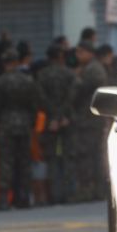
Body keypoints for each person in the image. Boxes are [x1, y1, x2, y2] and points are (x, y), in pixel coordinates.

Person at [0, 49, 39, 210]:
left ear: (4, 63)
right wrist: (31, 123)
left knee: (6, 162)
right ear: (17, 62)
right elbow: (34, 106)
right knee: (24, 161)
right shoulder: (28, 81)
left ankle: (4, 199)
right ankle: (25, 196)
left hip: (6, 125)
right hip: (24, 124)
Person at [36, 45, 75, 205]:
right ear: (60, 57)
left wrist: (53, 117)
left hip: (49, 123)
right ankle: (69, 194)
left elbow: (40, 98)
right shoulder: (69, 74)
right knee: (67, 157)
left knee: (52, 158)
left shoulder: (41, 75)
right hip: (66, 122)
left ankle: (52, 195)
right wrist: (62, 116)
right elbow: (73, 97)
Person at [69, 41, 107, 202]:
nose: (78, 56)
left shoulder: (93, 69)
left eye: (80, 52)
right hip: (89, 119)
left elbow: (83, 90)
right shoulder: (90, 68)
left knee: (88, 156)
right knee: (90, 156)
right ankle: (93, 190)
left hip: (90, 120)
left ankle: (90, 191)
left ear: (89, 53)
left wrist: (76, 79)